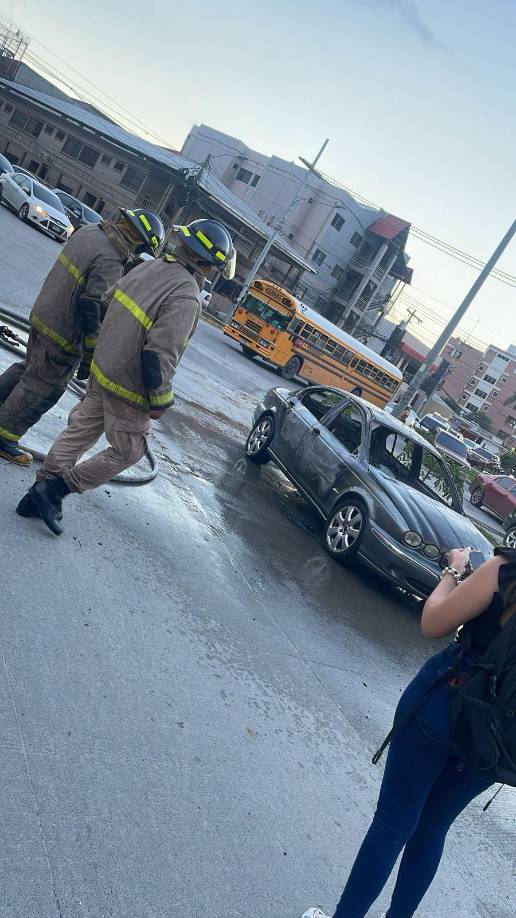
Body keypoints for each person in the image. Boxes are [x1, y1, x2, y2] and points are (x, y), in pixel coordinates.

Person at [302, 545, 516, 918]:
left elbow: (434, 623)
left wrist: (453, 572)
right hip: (495, 740)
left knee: (392, 824)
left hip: (444, 706)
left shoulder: (503, 571)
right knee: (432, 830)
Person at [17, 219, 236, 535]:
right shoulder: (187, 294)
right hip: (128, 387)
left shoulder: (149, 267)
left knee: (80, 432)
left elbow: (105, 303)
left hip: (103, 369)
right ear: (206, 262)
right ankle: (54, 491)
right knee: (129, 451)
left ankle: (36, 493)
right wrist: (159, 400)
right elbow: (160, 353)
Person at [0, 207, 165, 466]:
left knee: (26, 370)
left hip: (44, 316)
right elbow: (92, 307)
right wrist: (90, 354)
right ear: (138, 239)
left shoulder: (89, 232)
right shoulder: (112, 258)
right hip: (63, 332)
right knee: (43, 387)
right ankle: (5, 437)